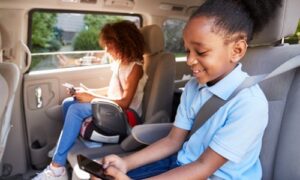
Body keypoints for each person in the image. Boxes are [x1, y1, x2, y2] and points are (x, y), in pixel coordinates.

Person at [98, 0, 282, 179]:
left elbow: (204, 167)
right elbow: (173, 141)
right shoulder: (194, 87)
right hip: (181, 164)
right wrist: (126, 163)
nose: (189, 61)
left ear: (237, 50)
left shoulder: (249, 104)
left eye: (200, 52)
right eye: (187, 51)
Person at [32, 20, 147, 180]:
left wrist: (91, 98)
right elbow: (111, 92)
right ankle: (64, 147)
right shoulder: (120, 63)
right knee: (69, 102)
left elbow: (125, 102)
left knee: (76, 109)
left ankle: (57, 168)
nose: (106, 49)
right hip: (114, 109)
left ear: (123, 42)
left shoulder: (135, 67)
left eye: (109, 44)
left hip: (125, 117)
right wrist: (87, 92)